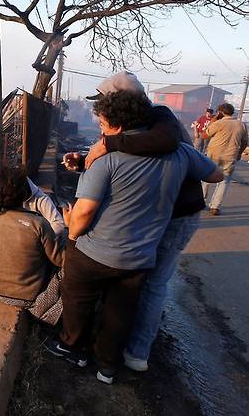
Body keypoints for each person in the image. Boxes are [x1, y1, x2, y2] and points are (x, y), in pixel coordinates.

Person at [45, 90, 222, 385]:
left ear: (116, 126)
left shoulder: (103, 158)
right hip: (140, 257)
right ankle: (108, 367)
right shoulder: (181, 152)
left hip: (96, 253)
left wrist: (73, 234)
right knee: (121, 310)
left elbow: (85, 212)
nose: (100, 129)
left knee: (77, 294)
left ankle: (72, 347)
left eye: (102, 123)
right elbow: (215, 175)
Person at [0, 166, 65, 325]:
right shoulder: (39, 224)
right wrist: (72, 235)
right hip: (24, 298)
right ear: (25, 193)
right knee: (71, 269)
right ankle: (43, 316)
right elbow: (60, 261)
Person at [201, 103, 248, 215]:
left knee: (206, 179)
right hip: (230, 157)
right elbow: (245, 142)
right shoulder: (241, 125)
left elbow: (204, 135)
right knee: (224, 182)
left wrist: (212, 121)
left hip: (213, 156)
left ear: (220, 112)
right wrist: (239, 154)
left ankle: (201, 201)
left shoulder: (218, 123)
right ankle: (215, 207)